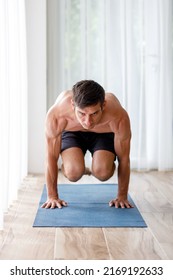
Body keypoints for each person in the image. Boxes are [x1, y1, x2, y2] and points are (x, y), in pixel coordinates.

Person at [41, 80, 133, 209]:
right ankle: (76, 166)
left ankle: (96, 168)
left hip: (103, 134)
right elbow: (51, 156)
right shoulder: (57, 115)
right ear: (72, 105)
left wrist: (122, 196)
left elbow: (124, 158)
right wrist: (52, 196)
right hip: (73, 133)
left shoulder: (118, 116)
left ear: (103, 105)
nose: (88, 122)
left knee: (102, 172)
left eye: (94, 113)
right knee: (73, 173)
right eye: (82, 114)